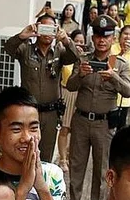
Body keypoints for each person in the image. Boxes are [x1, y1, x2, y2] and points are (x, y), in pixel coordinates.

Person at [65, 16, 130, 200]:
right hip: (81, 120)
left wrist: (114, 77)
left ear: (113, 38)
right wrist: (80, 75)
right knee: (76, 165)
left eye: (106, 36)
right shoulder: (83, 59)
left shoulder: (120, 64)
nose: (101, 40)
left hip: (104, 124)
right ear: (92, 37)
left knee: (102, 169)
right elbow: (70, 86)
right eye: (97, 36)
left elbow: (128, 92)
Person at [5, 14, 83, 162]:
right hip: (28, 111)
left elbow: (75, 57)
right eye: (44, 28)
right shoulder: (26, 49)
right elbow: (8, 48)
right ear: (37, 29)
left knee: (45, 155)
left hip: (50, 113)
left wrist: (66, 40)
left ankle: (42, 183)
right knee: (25, 151)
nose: (47, 33)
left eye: (51, 29)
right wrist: (22, 35)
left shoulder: (59, 52)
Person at [57, 30, 86, 169]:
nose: (79, 44)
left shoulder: (85, 58)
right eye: (77, 41)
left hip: (81, 96)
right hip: (67, 93)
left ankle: (69, 156)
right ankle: (62, 159)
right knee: (65, 128)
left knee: (76, 131)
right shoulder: (65, 55)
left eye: (82, 41)